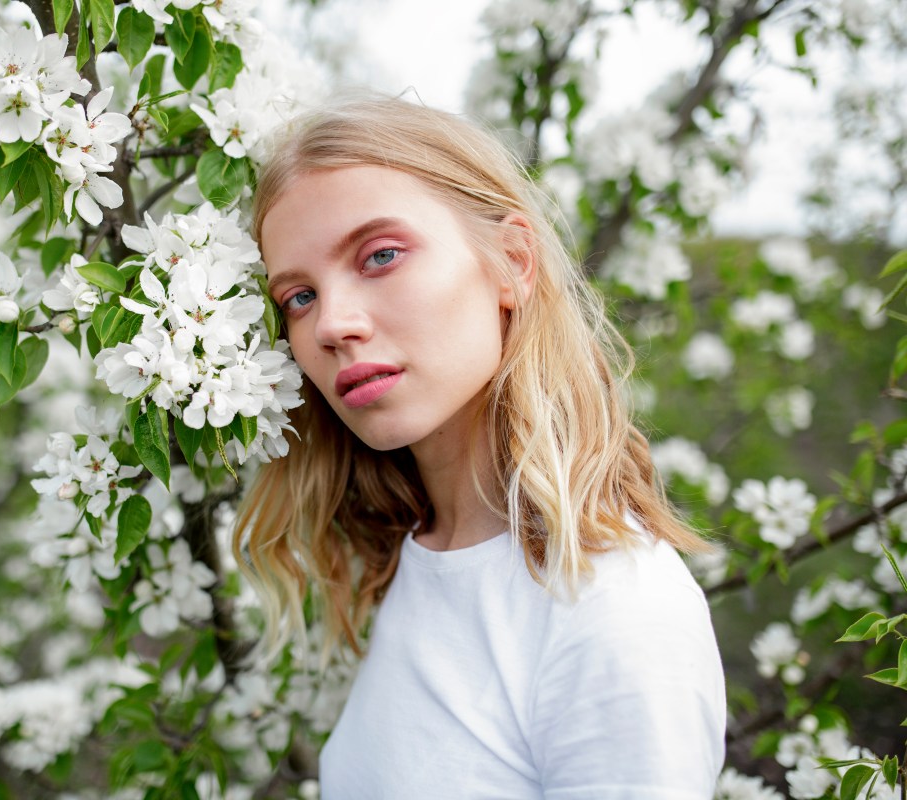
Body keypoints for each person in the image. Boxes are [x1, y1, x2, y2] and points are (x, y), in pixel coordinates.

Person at [233, 95, 726, 798]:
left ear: (512, 262)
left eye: (380, 255)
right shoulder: (404, 558)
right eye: (299, 298)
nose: (333, 324)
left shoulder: (614, 609)